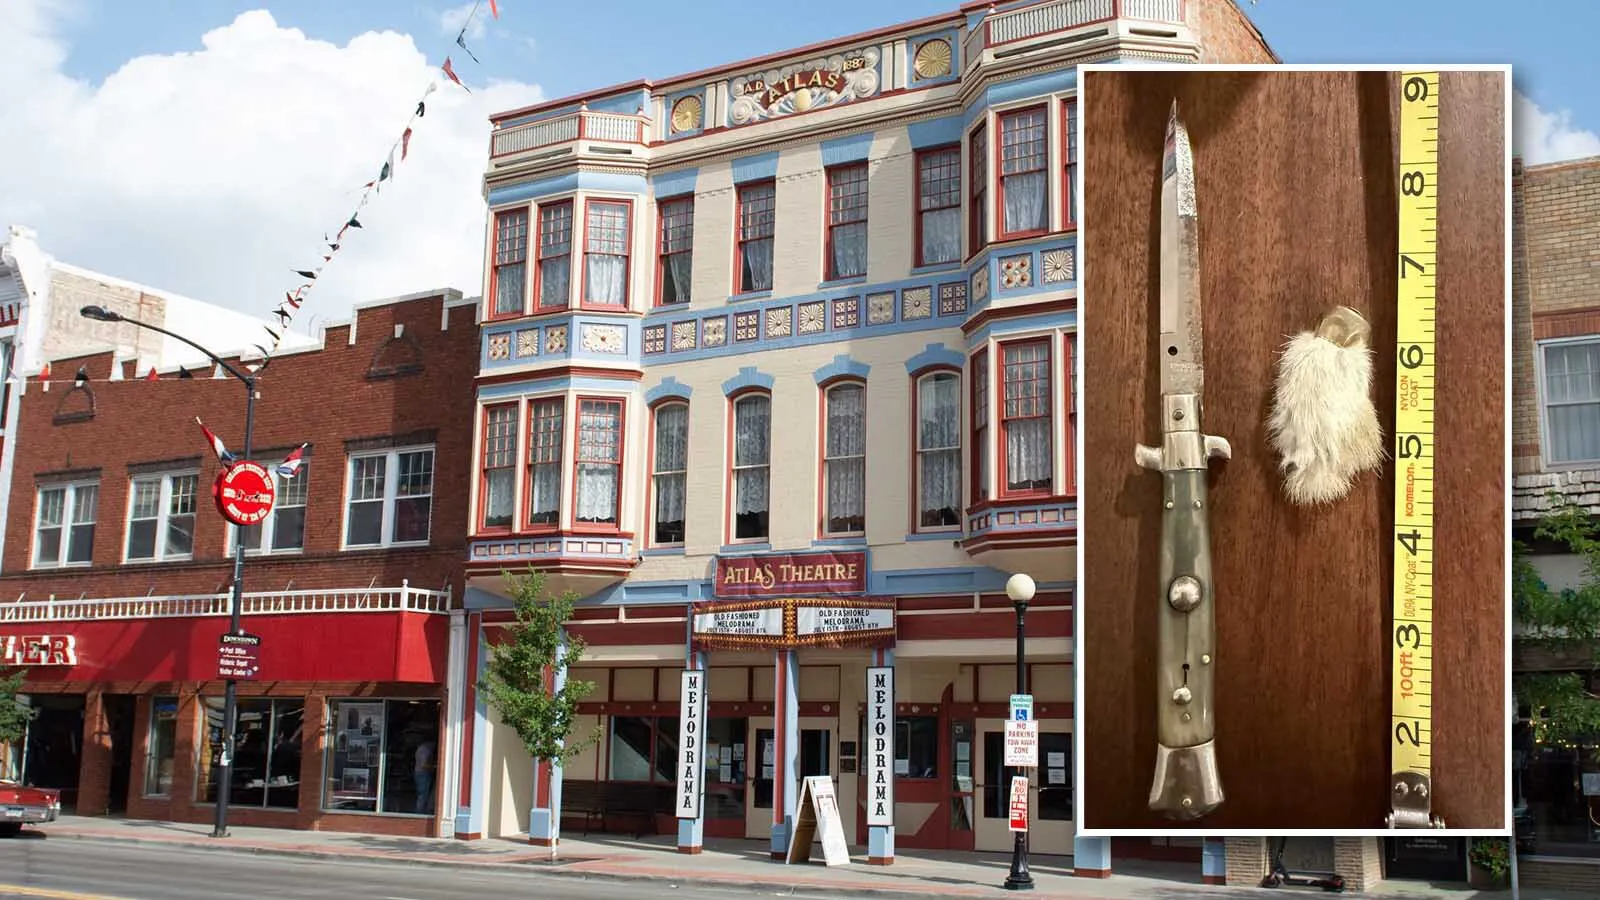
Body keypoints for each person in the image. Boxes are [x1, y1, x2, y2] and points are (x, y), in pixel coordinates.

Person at [413, 738, 436, 815]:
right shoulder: (426, 750)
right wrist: (434, 767)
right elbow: (423, 765)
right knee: (423, 795)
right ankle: (419, 813)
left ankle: (420, 811)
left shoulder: (421, 748)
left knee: (421, 794)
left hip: (419, 773)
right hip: (423, 774)